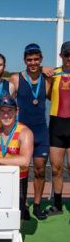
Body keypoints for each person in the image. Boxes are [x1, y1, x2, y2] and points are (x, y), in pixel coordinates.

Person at [0, 95, 34, 242]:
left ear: (17, 111)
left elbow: (25, 160)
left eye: (9, 111)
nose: (6, 115)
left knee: (16, 215)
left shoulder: (25, 132)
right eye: (2, 111)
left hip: (18, 179)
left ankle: (16, 238)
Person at [10, 44, 51, 220]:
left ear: (41, 59)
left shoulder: (47, 78)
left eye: (36, 59)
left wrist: (47, 71)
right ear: (24, 60)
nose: (33, 63)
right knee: (22, 170)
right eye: (29, 60)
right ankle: (22, 204)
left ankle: (37, 204)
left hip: (41, 130)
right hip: (22, 131)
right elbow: (6, 103)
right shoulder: (16, 78)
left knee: (41, 170)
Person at [47, 41, 70, 216]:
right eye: (66, 54)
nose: (69, 58)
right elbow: (46, 95)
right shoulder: (52, 74)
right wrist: (41, 71)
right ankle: (58, 205)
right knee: (55, 168)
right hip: (56, 125)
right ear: (61, 56)